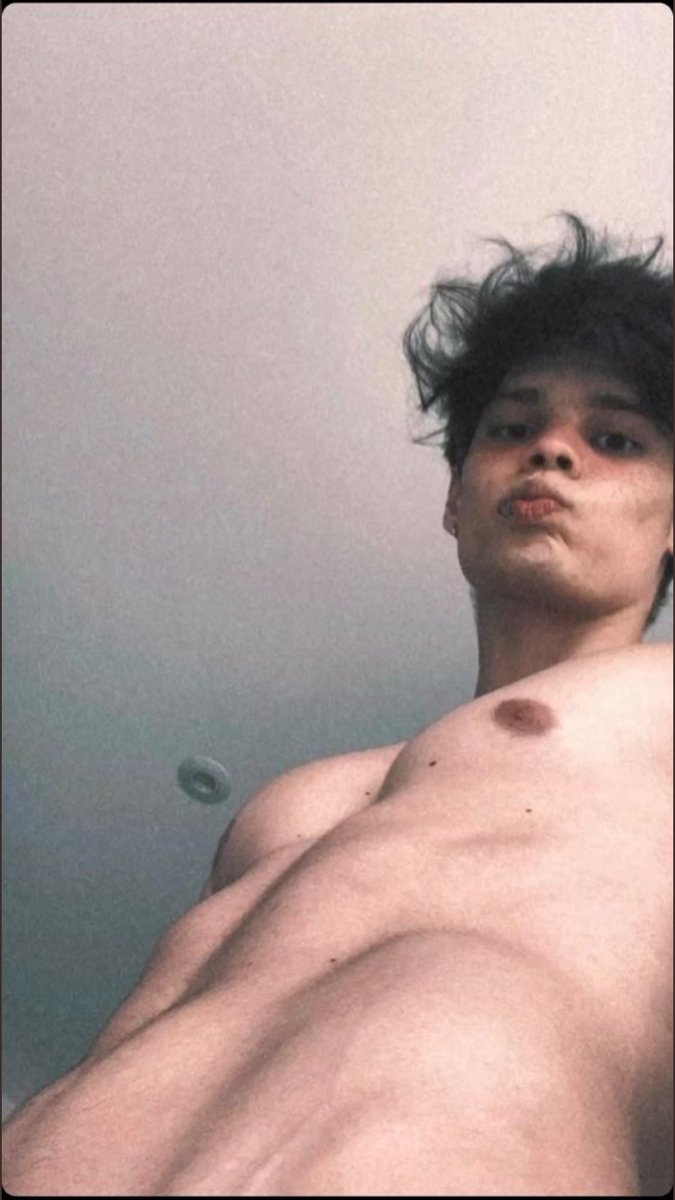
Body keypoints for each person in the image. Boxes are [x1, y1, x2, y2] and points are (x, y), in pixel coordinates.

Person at [3, 213, 672, 1196]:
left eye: (613, 438)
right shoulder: (297, 801)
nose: (551, 452)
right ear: (455, 500)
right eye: (511, 428)